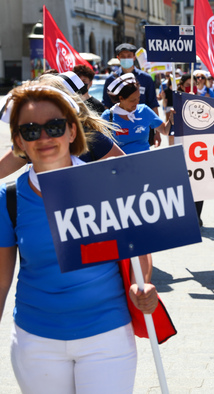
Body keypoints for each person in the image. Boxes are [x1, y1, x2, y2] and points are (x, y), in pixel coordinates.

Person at [0, 85, 158, 393]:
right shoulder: (9, 200)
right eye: (30, 130)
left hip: (108, 337)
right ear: (18, 141)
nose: (44, 138)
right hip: (36, 341)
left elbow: (138, 251)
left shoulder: (110, 186)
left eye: (54, 127)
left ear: (73, 131)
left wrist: (144, 284)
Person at [102, 43, 162, 146]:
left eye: (129, 56)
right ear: (118, 58)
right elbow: (106, 105)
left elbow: (153, 104)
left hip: (142, 129)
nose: (126, 59)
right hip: (120, 131)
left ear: (134, 57)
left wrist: (157, 132)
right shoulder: (111, 79)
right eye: (123, 56)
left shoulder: (146, 78)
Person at [101, 73, 172, 155]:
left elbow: (165, 130)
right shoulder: (107, 116)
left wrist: (172, 119)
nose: (137, 102)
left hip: (145, 162)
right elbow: (101, 147)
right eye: (132, 100)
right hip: (121, 165)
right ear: (121, 98)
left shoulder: (144, 110)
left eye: (138, 98)